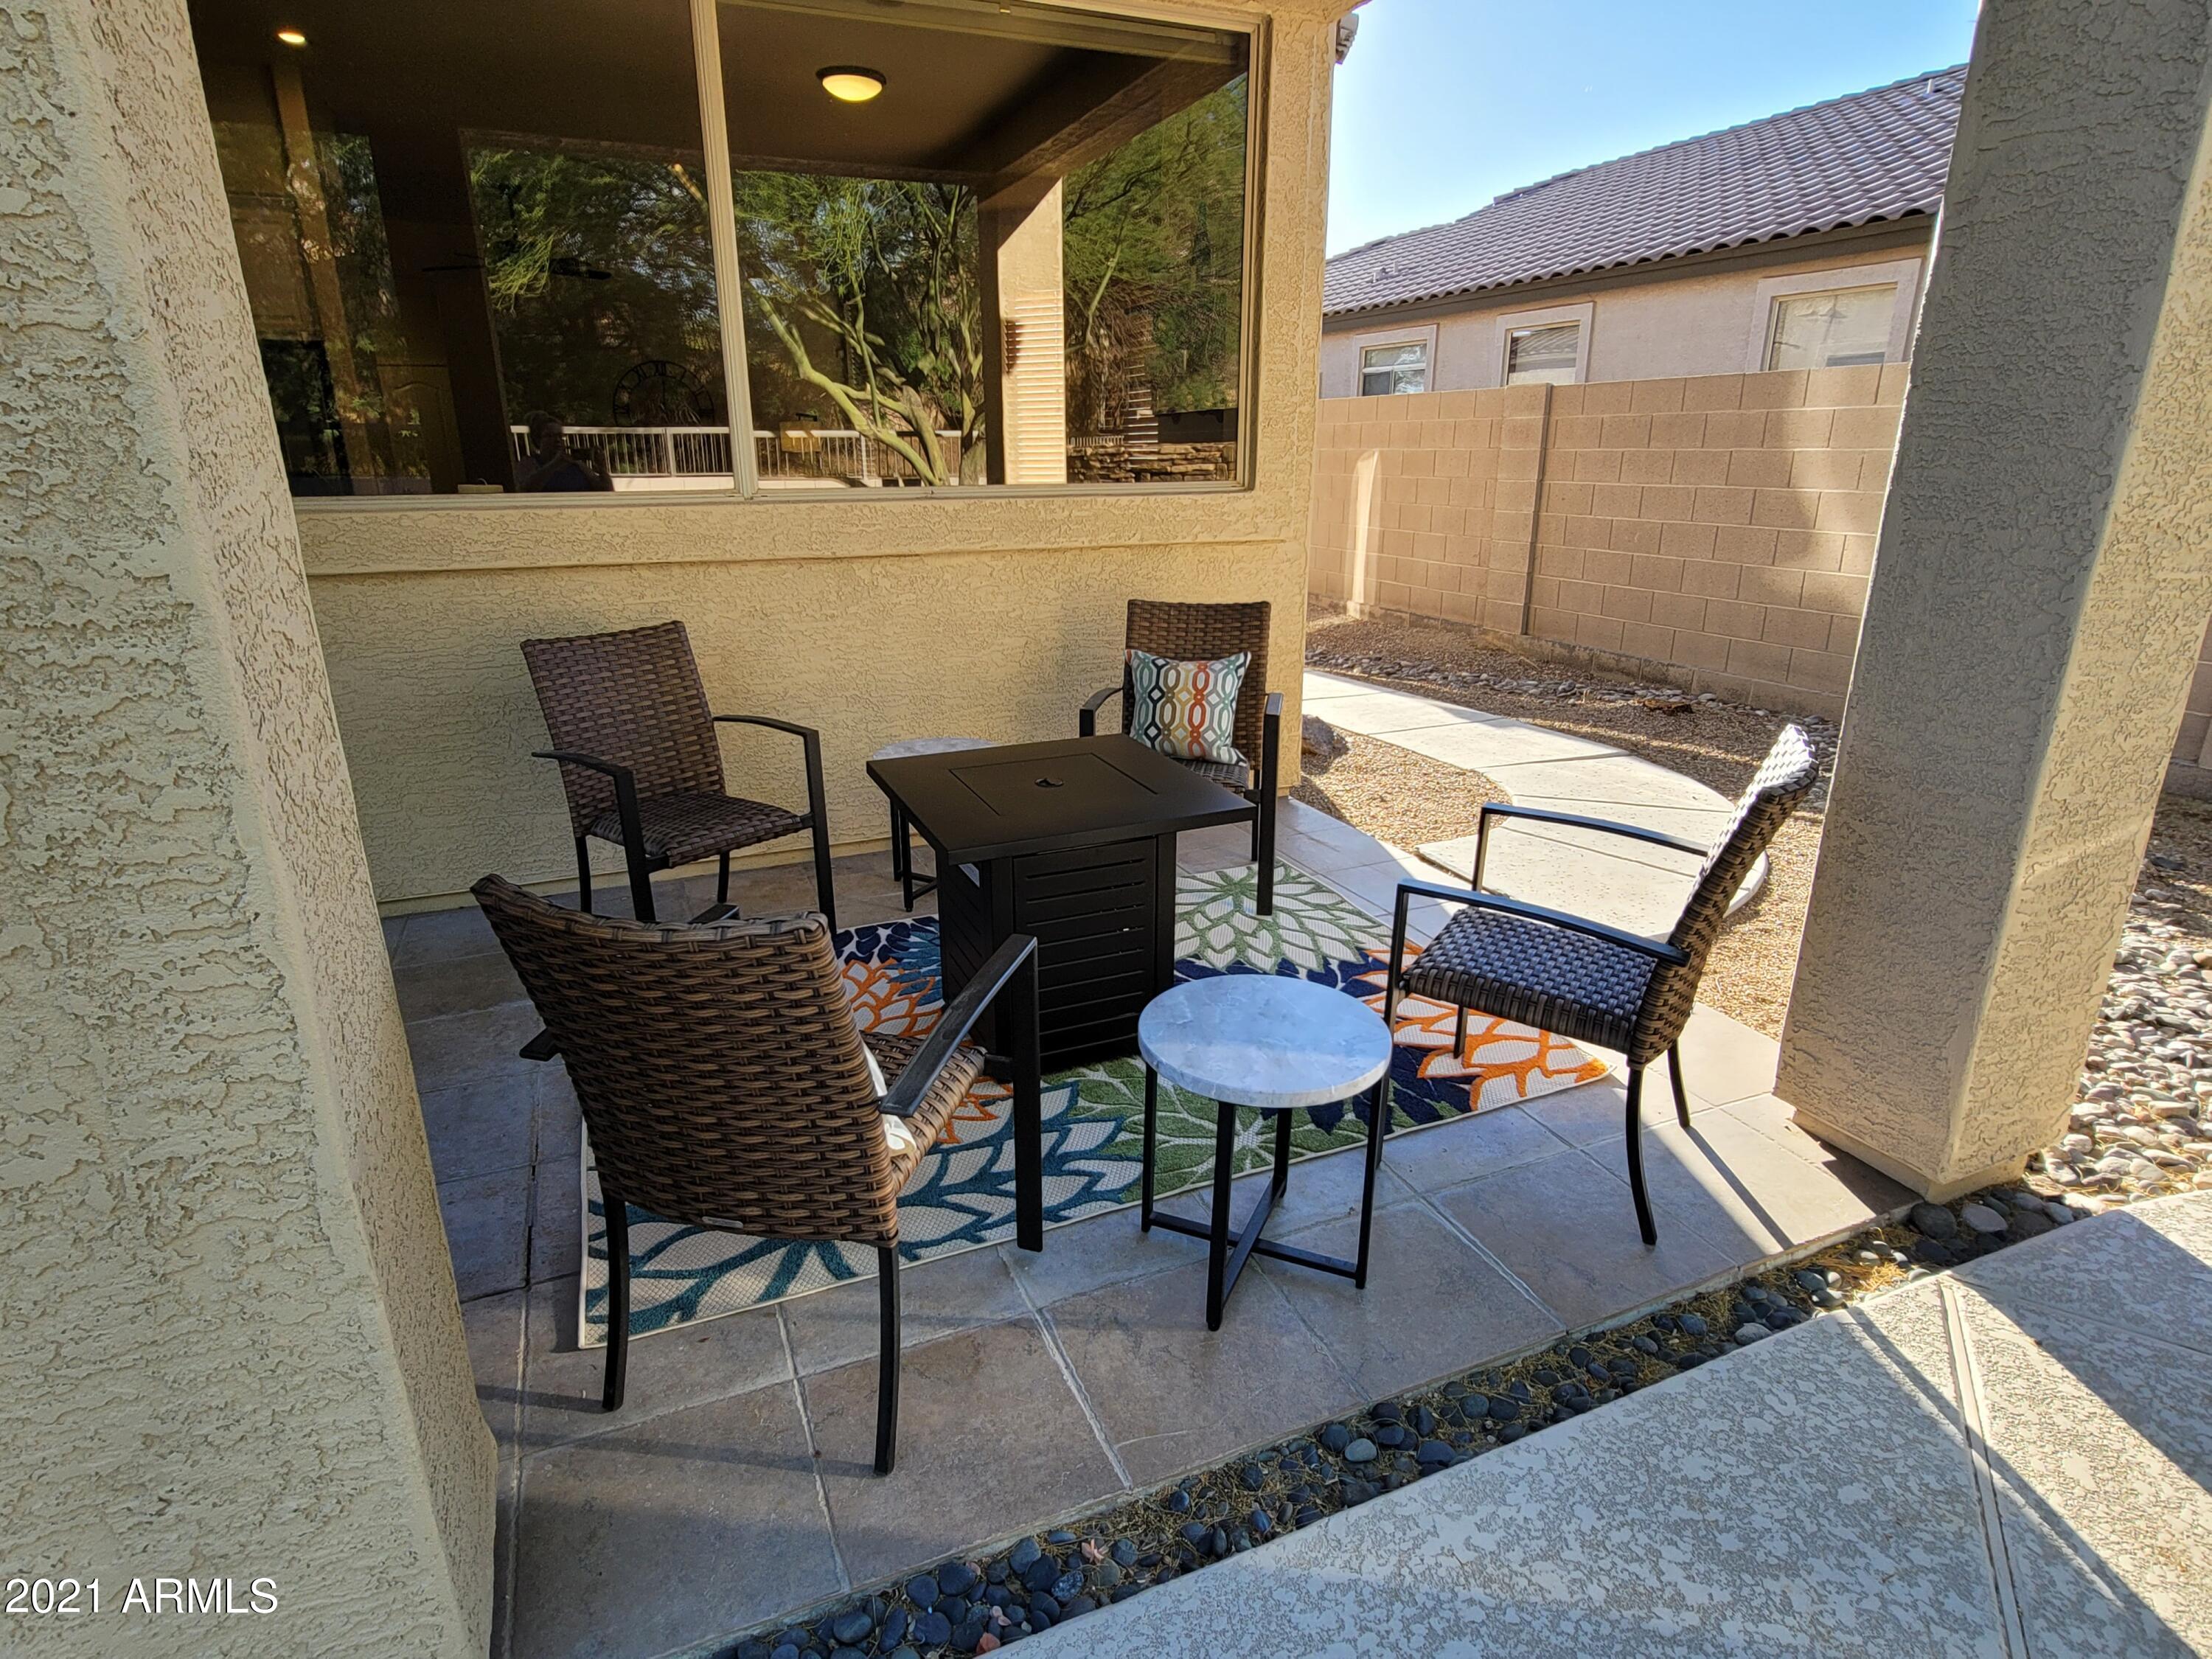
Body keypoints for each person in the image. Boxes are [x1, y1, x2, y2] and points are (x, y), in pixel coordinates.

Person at [515, 411, 616, 493]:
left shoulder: (577, 465)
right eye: (551, 436)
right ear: (538, 440)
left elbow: (606, 491)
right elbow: (526, 490)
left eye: (560, 436)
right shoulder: (530, 463)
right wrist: (555, 463)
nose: (557, 440)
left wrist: (602, 469)